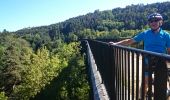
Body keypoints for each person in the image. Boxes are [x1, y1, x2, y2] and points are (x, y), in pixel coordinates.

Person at [109, 13, 170, 98]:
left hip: (161, 61)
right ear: (149, 23)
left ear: (161, 22)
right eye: (151, 21)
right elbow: (130, 41)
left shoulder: (166, 35)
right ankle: (141, 97)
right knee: (145, 83)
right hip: (148, 61)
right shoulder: (146, 33)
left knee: (162, 83)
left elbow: (169, 50)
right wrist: (116, 44)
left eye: (156, 20)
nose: (153, 22)